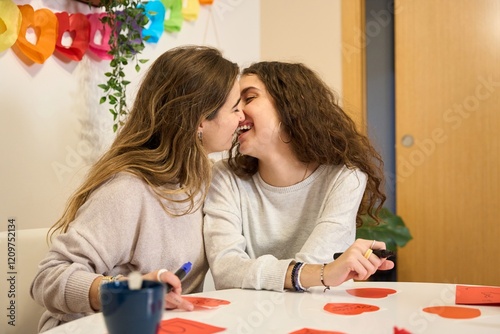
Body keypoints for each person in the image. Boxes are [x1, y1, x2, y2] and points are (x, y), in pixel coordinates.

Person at [31, 45, 244, 332]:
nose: (242, 117)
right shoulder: (128, 190)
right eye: (235, 108)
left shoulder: (207, 179)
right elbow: (48, 279)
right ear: (200, 120)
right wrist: (129, 290)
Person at [203, 61, 394, 293]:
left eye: (249, 98)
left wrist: (314, 273)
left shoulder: (345, 178)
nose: (238, 113)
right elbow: (226, 271)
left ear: (291, 105)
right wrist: (313, 273)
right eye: (234, 103)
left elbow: (318, 270)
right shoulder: (224, 177)